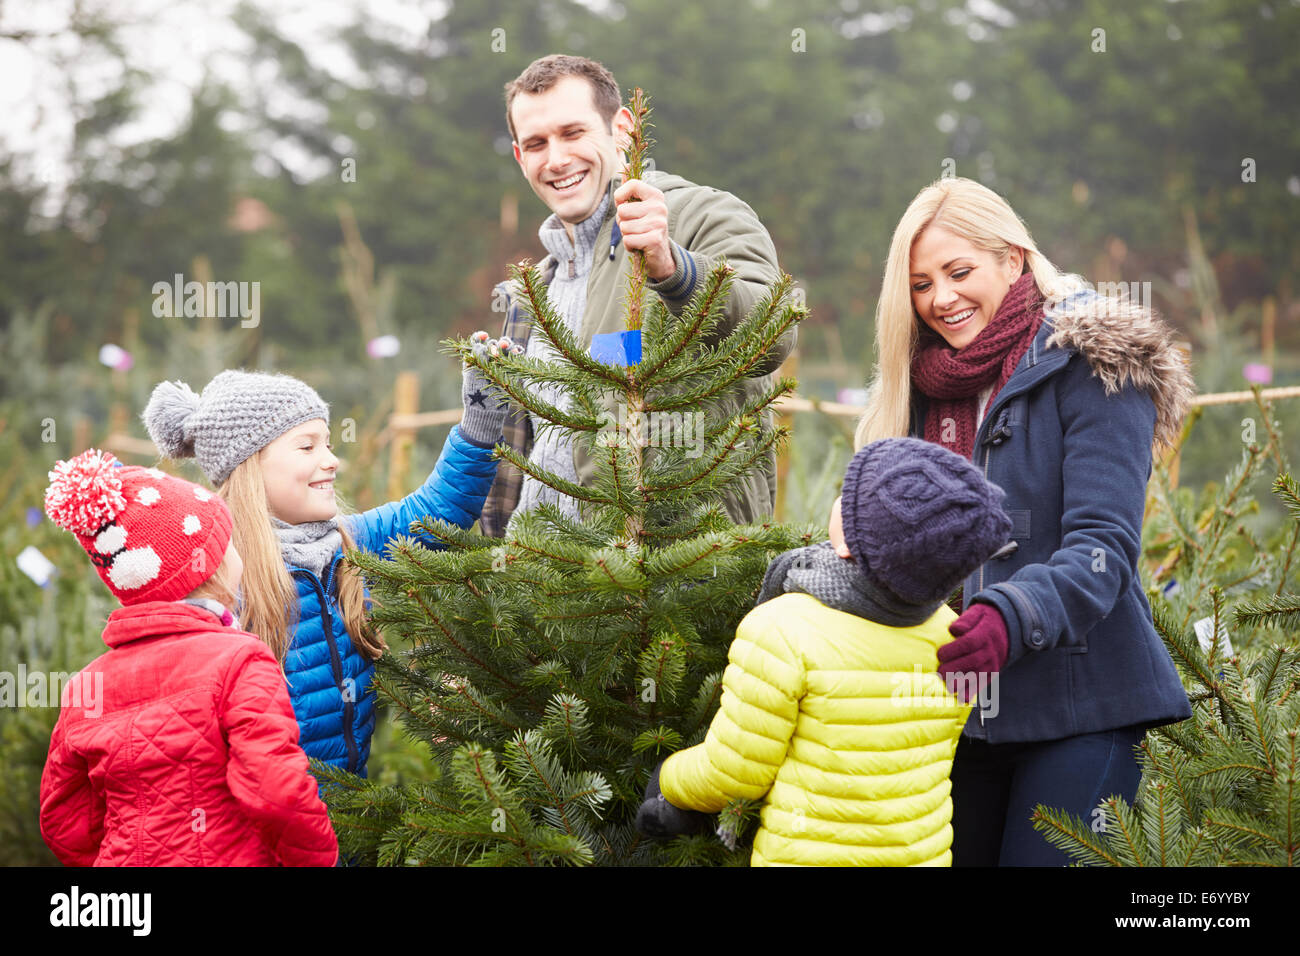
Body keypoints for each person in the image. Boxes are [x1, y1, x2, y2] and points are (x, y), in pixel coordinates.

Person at [855, 176, 1194, 866]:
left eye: (958, 271)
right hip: (953, 717)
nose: (941, 298)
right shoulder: (917, 389)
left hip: (1082, 707)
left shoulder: (1097, 362)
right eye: (920, 285)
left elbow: (1104, 548)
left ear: (1013, 259)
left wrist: (1009, 614)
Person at [141, 335, 514, 782]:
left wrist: (480, 423)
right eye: (307, 446)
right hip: (266, 831)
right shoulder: (219, 579)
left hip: (346, 819)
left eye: (329, 444)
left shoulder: (347, 543)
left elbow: (437, 512)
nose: (332, 460)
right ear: (249, 466)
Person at [634, 438, 1014, 866]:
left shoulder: (783, 628)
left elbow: (737, 772)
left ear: (849, 544)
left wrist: (669, 783)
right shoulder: (958, 640)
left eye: (846, 498)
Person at [480, 54, 796, 535]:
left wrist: (674, 269)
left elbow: (771, 335)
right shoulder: (531, 289)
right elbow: (516, 458)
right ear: (521, 159)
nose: (557, 159)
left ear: (622, 128)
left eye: (573, 133)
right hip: (544, 588)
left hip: (677, 579)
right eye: (537, 144)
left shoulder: (699, 214)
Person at [39, 449, 338, 866]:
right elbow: (275, 790)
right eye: (229, 542)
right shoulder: (240, 660)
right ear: (212, 567)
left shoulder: (85, 687)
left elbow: (63, 819)